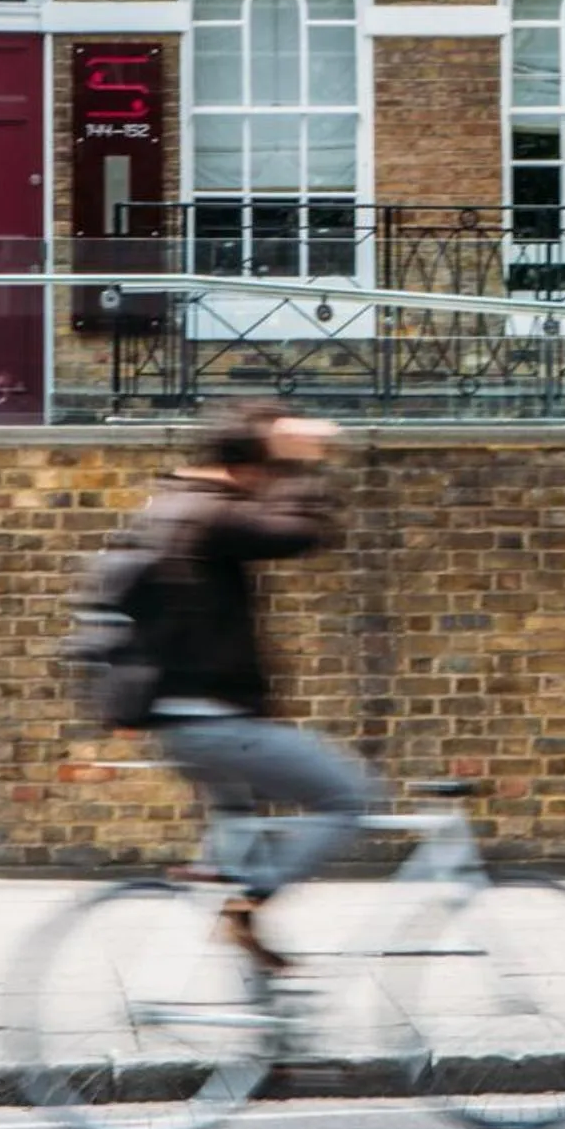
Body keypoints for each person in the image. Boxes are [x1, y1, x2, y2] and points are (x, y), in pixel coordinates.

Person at [134, 402, 382, 972]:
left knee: (245, 850)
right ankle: (243, 907)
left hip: (182, 721)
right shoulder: (208, 515)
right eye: (265, 474)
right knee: (349, 798)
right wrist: (301, 460)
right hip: (215, 726)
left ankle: (269, 1040)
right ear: (249, 468)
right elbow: (301, 534)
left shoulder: (171, 505)